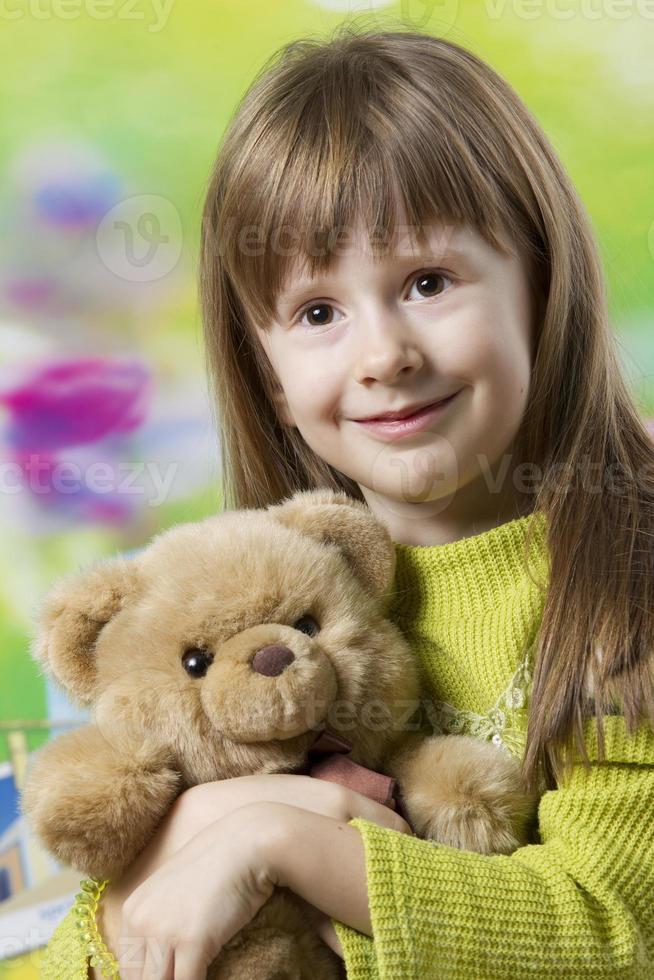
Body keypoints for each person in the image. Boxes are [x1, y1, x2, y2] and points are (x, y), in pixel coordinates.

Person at [40, 22, 654, 980]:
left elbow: (614, 929)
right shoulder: (246, 599)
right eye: (318, 312)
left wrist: (284, 842)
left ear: (540, 285)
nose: (383, 357)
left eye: (428, 280)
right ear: (270, 373)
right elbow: (114, 934)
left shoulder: (627, 583)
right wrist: (201, 825)